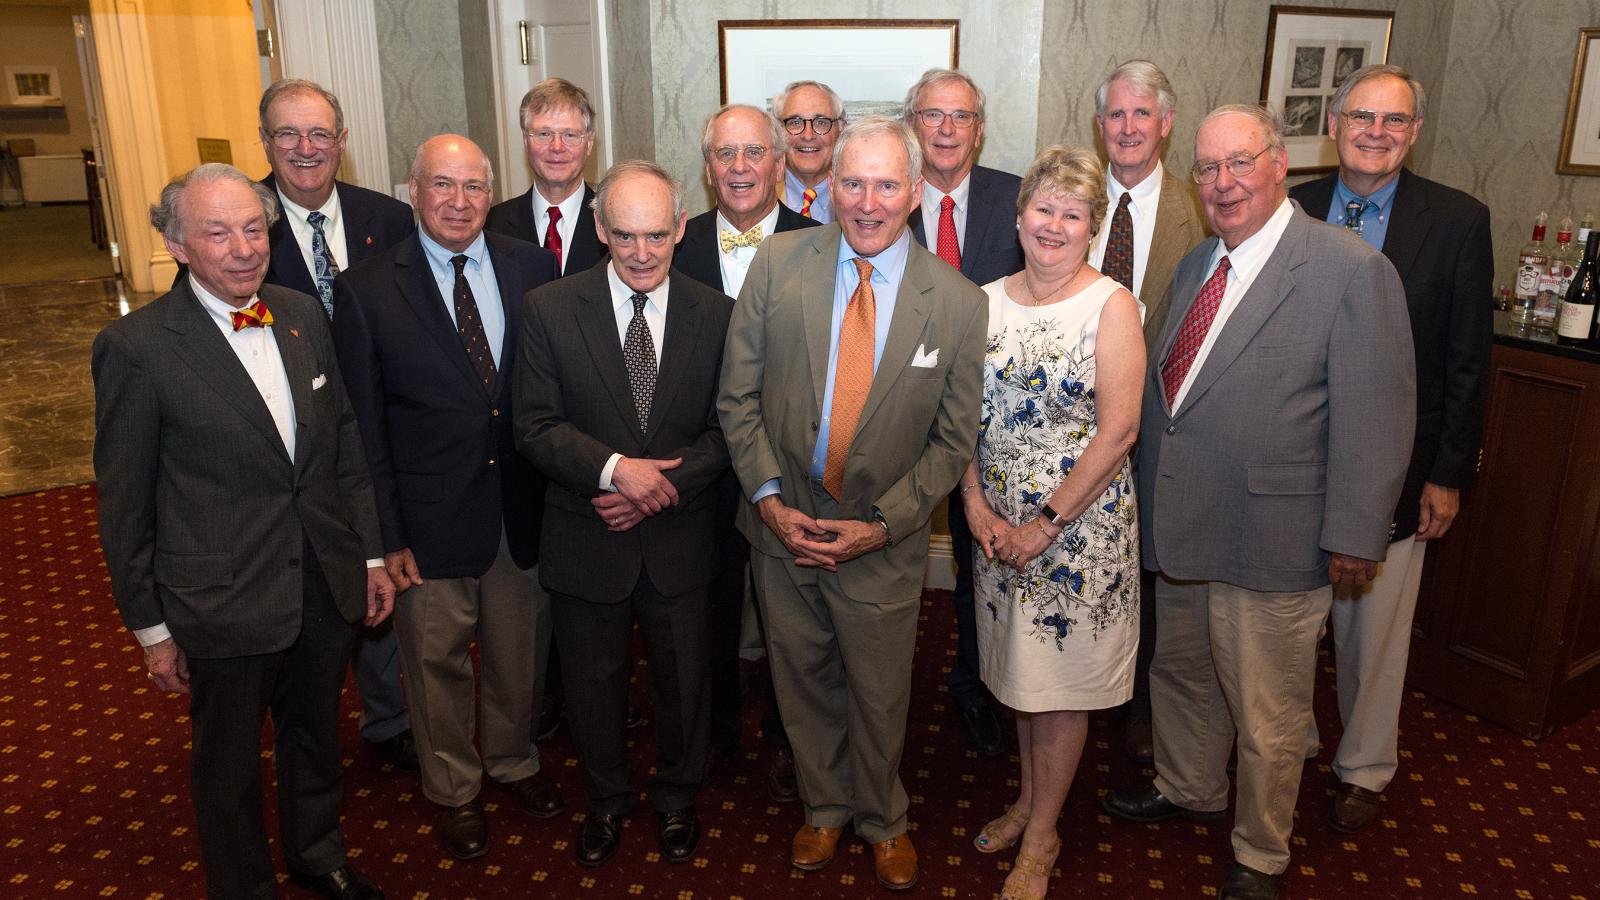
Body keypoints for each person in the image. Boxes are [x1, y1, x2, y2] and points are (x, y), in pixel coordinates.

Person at [1100, 104, 1416, 900]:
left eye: (1240, 163)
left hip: (1276, 534)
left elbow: (1377, 416)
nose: (1223, 183)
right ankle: (1188, 785)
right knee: (1180, 675)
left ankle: (1261, 851)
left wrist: (1356, 534)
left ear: (1280, 164)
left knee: (1268, 711)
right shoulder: (1200, 261)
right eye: (1207, 169)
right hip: (1182, 521)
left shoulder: (1348, 269)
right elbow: (1175, 392)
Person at [93, 163, 394, 900]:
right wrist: (151, 630)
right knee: (226, 766)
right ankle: (245, 885)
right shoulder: (138, 348)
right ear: (178, 246)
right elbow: (125, 504)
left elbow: (344, 445)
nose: (242, 249)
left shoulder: (298, 312)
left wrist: (370, 555)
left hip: (322, 579)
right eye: (217, 233)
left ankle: (317, 854)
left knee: (316, 737)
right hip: (221, 598)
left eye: (253, 229)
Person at [718, 116, 988, 892]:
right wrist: (768, 499)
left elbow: (951, 441)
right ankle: (825, 807)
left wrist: (880, 526)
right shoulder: (778, 263)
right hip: (783, 527)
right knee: (800, 680)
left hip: (882, 536)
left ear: (914, 192)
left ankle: (883, 818)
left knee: (878, 692)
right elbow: (736, 398)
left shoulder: (961, 305)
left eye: (886, 184)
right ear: (830, 186)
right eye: (853, 182)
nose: (868, 202)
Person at [331, 135, 564, 861]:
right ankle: (455, 790)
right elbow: (362, 430)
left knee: (516, 655)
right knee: (434, 667)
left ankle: (512, 760)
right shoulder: (366, 287)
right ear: (412, 190)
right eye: (442, 185)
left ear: (490, 194)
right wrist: (382, 537)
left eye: (472, 187)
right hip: (423, 526)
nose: (458, 201)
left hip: (517, 509)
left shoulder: (532, 266)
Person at [1289, 64, 1492, 833]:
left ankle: (1365, 768)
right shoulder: (1292, 203)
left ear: (1414, 133)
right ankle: (1294, 742)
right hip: (1295, 464)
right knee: (1291, 623)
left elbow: (1469, 359)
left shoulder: (1457, 220)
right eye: (1362, 117)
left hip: (1399, 470)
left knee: (1373, 635)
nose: (1376, 133)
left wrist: (1449, 475)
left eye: (1394, 121)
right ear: (1335, 125)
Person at [514, 160, 731, 868]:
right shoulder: (549, 308)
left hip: (680, 536)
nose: (641, 253)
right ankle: (605, 801)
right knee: (592, 686)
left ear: (681, 229)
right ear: (601, 229)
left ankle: (676, 797)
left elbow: (731, 427)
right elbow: (536, 425)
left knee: (684, 683)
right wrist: (615, 473)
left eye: (657, 236)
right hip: (587, 534)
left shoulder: (717, 314)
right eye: (627, 235)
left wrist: (657, 488)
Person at [959, 145, 1144, 899]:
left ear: (1093, 227)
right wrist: (973, 506)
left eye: (1073, 214)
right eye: (1044, 209)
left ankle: (1043, 835)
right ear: (1019, 213)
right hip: (996, 532)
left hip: (1078, 537)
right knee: (1019, 677)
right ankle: (1031, 800)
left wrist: (1044, 523)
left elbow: (1120, 430)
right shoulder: (984, 299)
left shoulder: (1111, 305)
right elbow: (958, 418)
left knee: (1060, 686)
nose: (1055, 225)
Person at [255, 78, 418, 769]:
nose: (305, 148)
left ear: (342, 142)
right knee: (309, 597)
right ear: (265, 142)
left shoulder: (389, 216)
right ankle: (307, 738)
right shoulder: (240, 225)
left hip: (380, 441)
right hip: (291, 455)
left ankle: (391, 721)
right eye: (287, 134)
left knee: (382, 578)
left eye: (320, 133)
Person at [675, 103, 820, 800]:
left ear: (780, 162)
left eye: (753, 153)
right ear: (707, 168)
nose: (738, 168)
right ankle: (715, 731)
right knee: (704, 611)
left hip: (788, 467)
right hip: (697, 464)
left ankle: (792, 742)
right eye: (724, 155)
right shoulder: (673, 241)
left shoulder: (823, 243)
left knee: (791, 621)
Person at [1088, 59, 1210, 762]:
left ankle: (1141, 709)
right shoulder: (1070, 193)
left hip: (1167, 421)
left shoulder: (1206, 206)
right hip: (1075, 421)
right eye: (1116, 115)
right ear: (1100, 126)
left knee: (1153, 569)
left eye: (1142, 115)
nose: (1128, 128)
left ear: (1166, 124)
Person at [901, 67, 1024, 756]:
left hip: (995, 420)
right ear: (914, 124)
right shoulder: (884, 198)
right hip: (901, 419)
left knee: (984, 559)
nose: (946, 129)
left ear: (979, 128)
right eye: (932, 115)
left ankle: (975, 684)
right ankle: (883, 688)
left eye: (960, 116)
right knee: (886, 555)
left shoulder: (1016, 198)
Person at [485, 77, 607, 277]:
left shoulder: (614, 225)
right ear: (525, 141)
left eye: (570, 135)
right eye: (543, 134)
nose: (557, 147)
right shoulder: (491, 225)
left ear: (590, 142)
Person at [775, 79, 845, 222]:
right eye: (795, 122)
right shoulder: (755, 196)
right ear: (777, 130)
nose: (808, 136)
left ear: (841, 129)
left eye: (821, 123)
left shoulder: (862, 200)